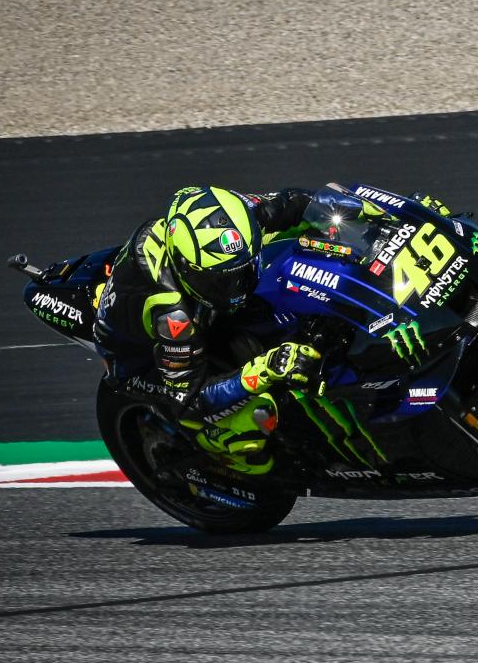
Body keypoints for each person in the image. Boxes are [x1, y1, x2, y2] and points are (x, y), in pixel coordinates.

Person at [93, 185, 329, 475]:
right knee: (257, 417)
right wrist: (265, 369)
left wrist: (339, 210)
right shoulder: (173, 317)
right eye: (222, 282)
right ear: (187, 271)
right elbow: (190, 401)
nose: (238, 287)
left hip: (188, 309)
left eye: (242, 274)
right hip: (142, 364)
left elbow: (292, 204)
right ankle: (227, 461)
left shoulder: (233, 218)